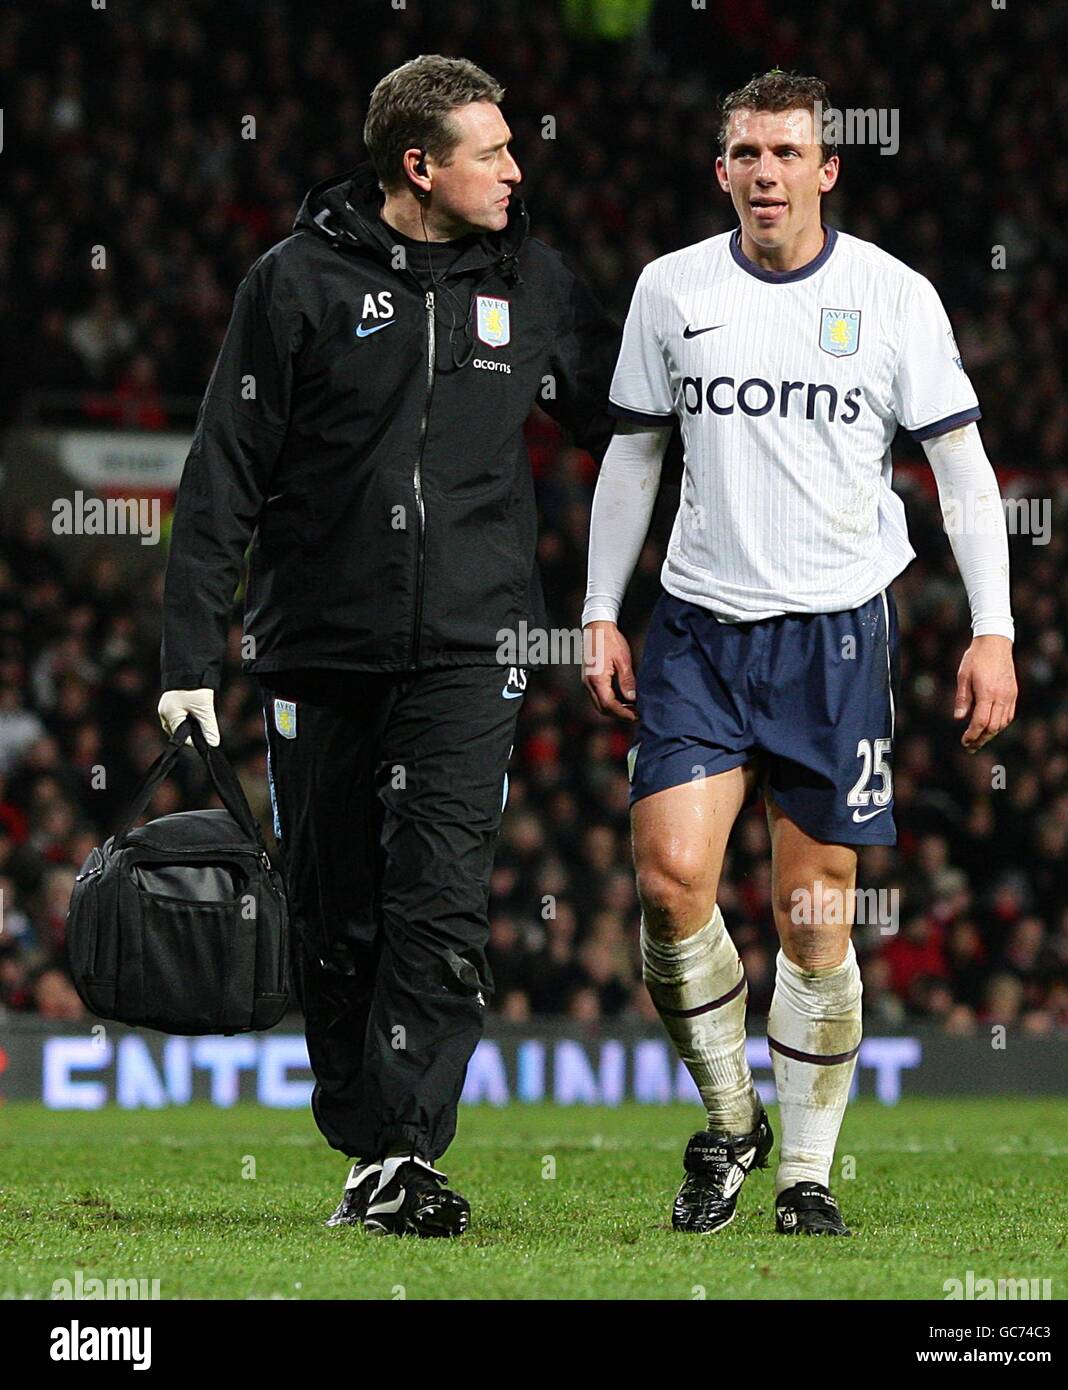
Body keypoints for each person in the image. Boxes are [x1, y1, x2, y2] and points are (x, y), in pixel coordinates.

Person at [158, 55, 617, 1237]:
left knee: (442, 900)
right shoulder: (295, 282)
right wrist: (186, 660)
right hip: (316, 649)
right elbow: (224, 474)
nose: (518, 169)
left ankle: (408, 1150)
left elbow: (631, 424)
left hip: (472, 649)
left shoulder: (536, 284)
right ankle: (369, 1147)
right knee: (336, 910)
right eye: (492, 152)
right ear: (420, 166)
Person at [582, 70, 1017, 1236]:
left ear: (828, 168)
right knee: (672, 879)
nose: (765, 172)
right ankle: (731, 1124)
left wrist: (994, 627)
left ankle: (807, 1175)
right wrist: (597, 607)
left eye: (787, 152)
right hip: (697, 631)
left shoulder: (895, 297)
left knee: (815, 915)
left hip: (835, 638)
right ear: (719, 168)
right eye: (745, 152)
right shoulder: (671, 290)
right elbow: (633, 457)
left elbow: (961, 470)